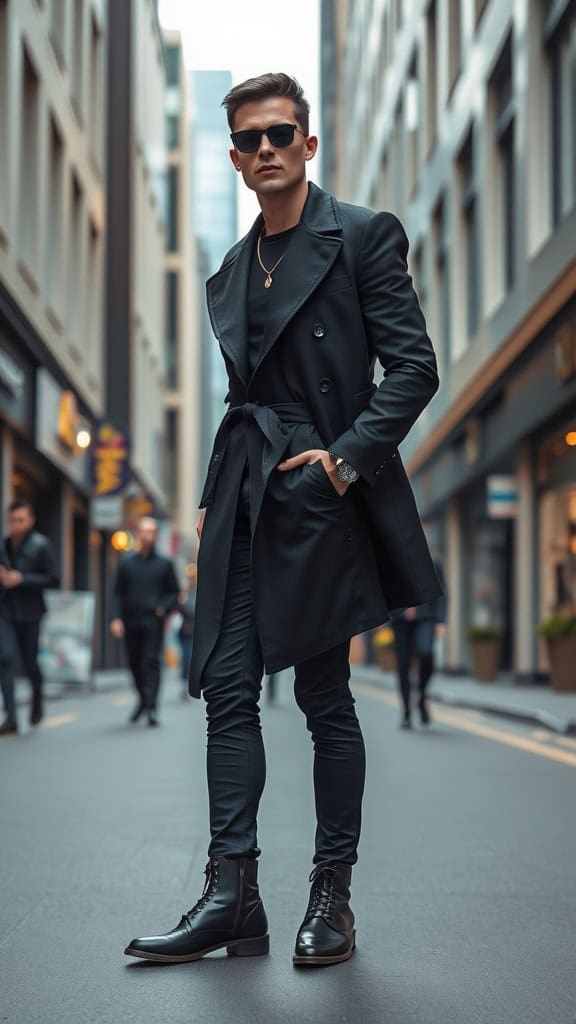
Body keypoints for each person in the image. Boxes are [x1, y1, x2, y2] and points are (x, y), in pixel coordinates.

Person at [125, 73, 442, 968]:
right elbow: (242, 397)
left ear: (308, 144)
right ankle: (234, 895)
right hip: (242, 492)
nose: (266, 148)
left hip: (319, 490)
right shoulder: (230, 269)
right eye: (250, 139)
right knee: (227, 687)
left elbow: (413, 368)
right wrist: (208, 504)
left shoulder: (363, 238)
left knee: (321, 695)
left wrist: (344, 461)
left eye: (281, 133)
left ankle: (331, 896)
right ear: (234, 157)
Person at [110, 518, 179, 727]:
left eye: (151, 532)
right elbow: (117, 593)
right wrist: (115, 618)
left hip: (153, 620)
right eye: (143, 531)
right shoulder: (126, 563)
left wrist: (162, 607)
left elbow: (174, 592)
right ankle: (143, 700)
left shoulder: (165, 564)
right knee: (133, 662)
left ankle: (151, 707)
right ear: (137, 534)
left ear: (156, 535)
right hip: (130, 620)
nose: (147, 535)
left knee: (150, 661)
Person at [0, 500, 60, 735]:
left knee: (30, 663)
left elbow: (54, 579)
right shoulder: (4, 545)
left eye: (21, 520)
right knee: (4, 659)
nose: (16, 525)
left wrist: (22, 579)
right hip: (5, 609)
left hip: (30, 612)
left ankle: (37, 698)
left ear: (31, 521)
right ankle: (11, 716)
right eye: (13, 520)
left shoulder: (41, 545)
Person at [392, 556, 448, 729]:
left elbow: (441, 593)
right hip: (400, 620)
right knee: (403, 664)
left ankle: (422, 696)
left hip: (426, 618)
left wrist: (440, 620)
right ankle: (407, 711)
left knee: (426, 653)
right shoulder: (392, 561)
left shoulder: (433, 563)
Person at [177, 573, 196, 700]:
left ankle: (192, 684)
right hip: (186, 632)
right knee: (186, 657)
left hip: (198, 632)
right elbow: (185, 609)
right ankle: (185, 684)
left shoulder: (201, 592)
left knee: (192, 659)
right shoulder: (185, 594)